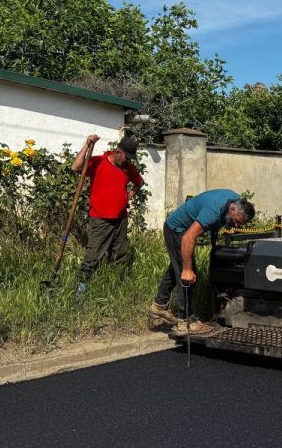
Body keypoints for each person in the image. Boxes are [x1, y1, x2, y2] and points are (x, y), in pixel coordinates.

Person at [149, 189, 255, 335]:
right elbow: (188, 237)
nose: (236, 226)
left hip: (180, 229)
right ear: (232, 209)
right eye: (236, 221)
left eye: (240, 224)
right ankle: (185, 322)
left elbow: (217, 224)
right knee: (187, 275)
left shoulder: (236, 201)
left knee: (176, 268)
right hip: (177, 230)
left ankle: (159, 305)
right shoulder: (212, 211)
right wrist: (187, 270)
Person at [71, 134, 144, 294]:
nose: (128, 161)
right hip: (100, 219)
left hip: (121, 218)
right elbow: (76, 167)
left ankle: (115, 288)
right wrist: (87, 144)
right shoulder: (98, 162)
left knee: (120, 254)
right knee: (93, 256)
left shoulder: (127, 167)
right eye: (127, 157)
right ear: (118, 153)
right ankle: (80, 290)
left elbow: (139, 182)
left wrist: (128, 197)